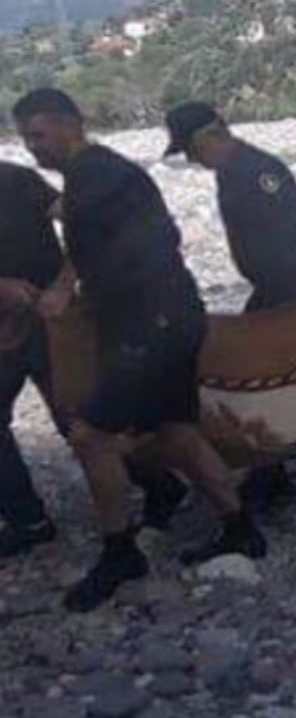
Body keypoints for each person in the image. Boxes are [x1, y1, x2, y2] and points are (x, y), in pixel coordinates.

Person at [13, 88, 265, 612]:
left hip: (151, 326)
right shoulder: (94, 176)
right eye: (25, 138)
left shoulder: (96, 177)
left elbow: (143, 244)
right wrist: (68, 287)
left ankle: (119, 551)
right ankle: (241, 528)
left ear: (70, 124)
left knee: (89, 435)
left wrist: (86, 295)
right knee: (177, 431)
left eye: (39, 135)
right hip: (173, 315)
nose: (33, 148)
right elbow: (93, 245)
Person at [162, 102, 296, 507]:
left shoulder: (255, 172)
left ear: (209, 136)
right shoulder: (236, 171)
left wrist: (284, 304)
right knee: (288, 376)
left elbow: (293, 238)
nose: (193, 160)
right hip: (282, 287)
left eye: (191, 150)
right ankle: (277, 467)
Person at [1, 161, 188, 560]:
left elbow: (85, 225)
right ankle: (27, 520)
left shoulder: (15, 179)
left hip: (53, 324)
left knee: (82, 419)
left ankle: (159, 485)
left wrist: (64, 285)